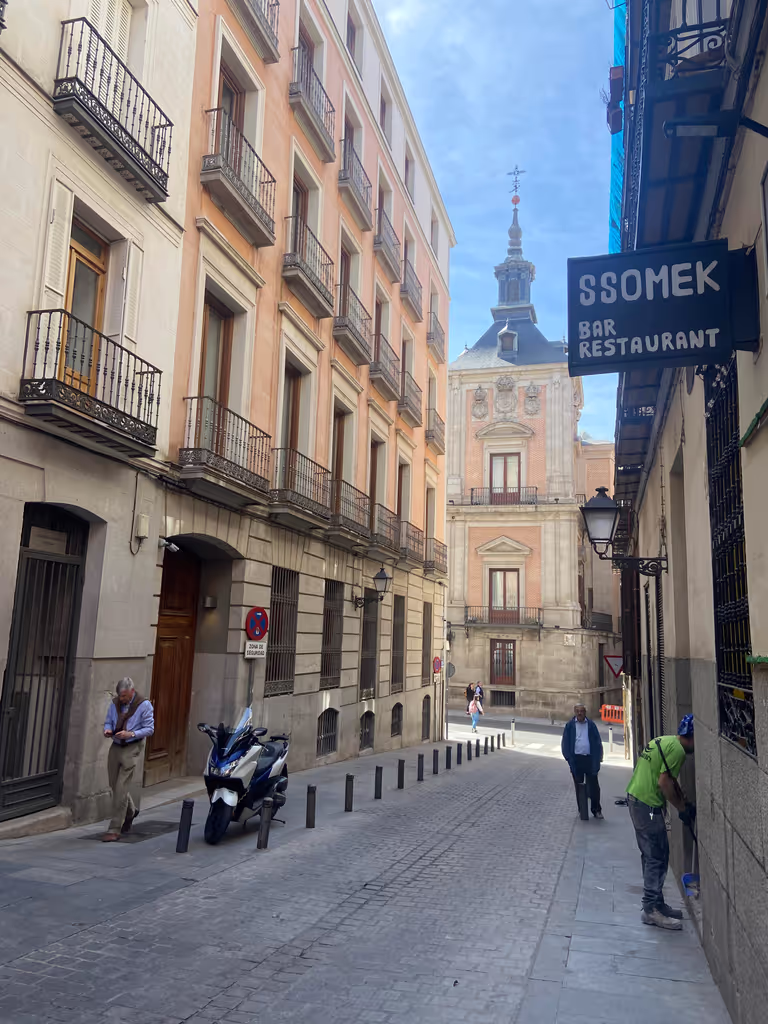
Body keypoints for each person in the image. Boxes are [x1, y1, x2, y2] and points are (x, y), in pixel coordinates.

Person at [626, 714, 696, 931]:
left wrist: (682, 799)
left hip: (637, 799)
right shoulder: (678, 751)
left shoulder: (665, 741)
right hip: (646, 805)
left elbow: (667, 776)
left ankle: (657, 903)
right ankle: (650, 910)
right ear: (692, 737)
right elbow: (664, 782)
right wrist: (681, 809)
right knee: (655, 856)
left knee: (657, 854)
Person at [102, 678, 154, 842]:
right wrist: (108, 730)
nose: (122, 699)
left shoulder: (144, 705)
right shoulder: (115, 703)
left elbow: (149, 729)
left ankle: (115, 828)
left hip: (132, 747)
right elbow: (108, 721)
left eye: (124, 696)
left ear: (132, 691)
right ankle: (131, 812)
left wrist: (131, 734)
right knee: (113, 784)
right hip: (116, 745)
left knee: (121, 788)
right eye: (120, 695)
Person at [561, 703, 604, 820]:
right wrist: (569, 759)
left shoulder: (591, 725)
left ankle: (596, 810)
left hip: (589, 759)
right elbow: (565, 743)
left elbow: (597, 742)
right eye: (578, 711)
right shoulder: (570, 725)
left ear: (585, 712)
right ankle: (582, 811)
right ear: (575, 712)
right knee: (579, 787)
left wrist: (599, 758)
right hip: (576, 760)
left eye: (582, 711)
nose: (580, 713)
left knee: (594, 787)